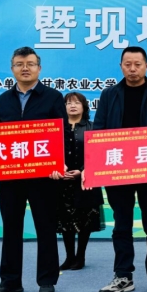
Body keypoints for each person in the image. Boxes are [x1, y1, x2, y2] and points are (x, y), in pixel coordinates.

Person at [0, 47, 67, 292]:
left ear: (39, 68)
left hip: (43, 177)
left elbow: (62, 135)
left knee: (45, 228)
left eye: (30, 64)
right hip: (11, 177)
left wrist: (60, 164)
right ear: (12, 68)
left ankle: (46, 280)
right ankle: (10, 281)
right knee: (11, 228)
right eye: (19, 64)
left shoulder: (53, 96)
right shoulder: (4, 99)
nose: (25, 68)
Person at [90, 46, 147, 292]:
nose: (133, 69)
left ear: (146, 66)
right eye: (128, 64)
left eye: (137, 64)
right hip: (117, 169)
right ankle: (123, 275)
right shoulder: (109, 95)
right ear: (121, 66)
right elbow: (99, 130)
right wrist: (94, 167)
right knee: (121, 224)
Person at [57, 92, 104, 271]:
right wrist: (59, 169)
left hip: (86, 180)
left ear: (84, 106)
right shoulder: (57, 128)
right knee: (66, 221)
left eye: (77, 103)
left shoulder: (92, 127)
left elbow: (99, 154)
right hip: (62, 180)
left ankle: (80, 256)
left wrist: (83, 170)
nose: (73, 106)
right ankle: (69, 257)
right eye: (68, 103)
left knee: (85, 221)